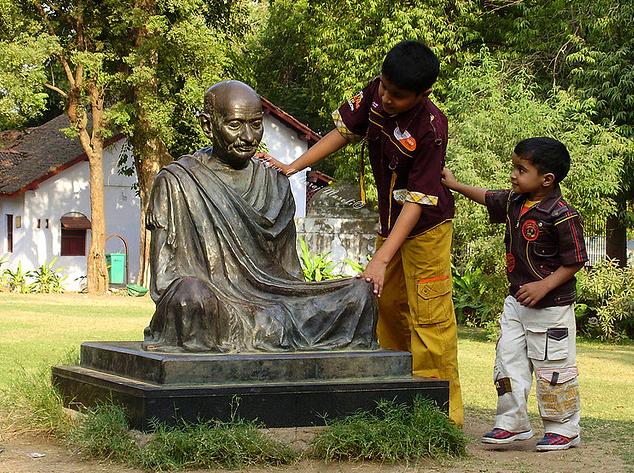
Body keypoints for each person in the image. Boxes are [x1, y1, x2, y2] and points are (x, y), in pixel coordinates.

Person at [266, 41, 463, 427]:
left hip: (425, 230)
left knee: (429, 318)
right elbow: (341, 133)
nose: (386, 98)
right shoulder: (375, 92)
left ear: (423, 94)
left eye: (398, 95)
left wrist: (380, 259)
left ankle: (439, 418)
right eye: (385, 87)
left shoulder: (431, 129)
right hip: (389, 227)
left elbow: (417, 203)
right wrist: (293, 167)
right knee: (385, 311)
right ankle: (393, 404)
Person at [143, 80, 377, 353]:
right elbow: (165, 280)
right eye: (235, 125)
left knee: (359, 295)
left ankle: (260, 330)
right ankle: (253, 328)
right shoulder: (176, 182)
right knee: (191, 299)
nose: (248, 137)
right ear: (208, 125)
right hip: (213, 299)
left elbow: (291, 276)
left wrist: (282, 305)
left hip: (277, 297)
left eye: (255, 124)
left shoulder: (274, 182)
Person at [441, 137, 587, 451]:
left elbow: (575, 260)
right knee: (507, 362)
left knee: (554, 368)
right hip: (515, 303)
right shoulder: (515, 202)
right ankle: (512, 422)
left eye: (521, 169)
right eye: (514, 167)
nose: (513, 175)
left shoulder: (562, 214)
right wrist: (454, 184)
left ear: (547, 179)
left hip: (551, 307)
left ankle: (564, 428)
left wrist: (544, 285)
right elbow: (487, 197)